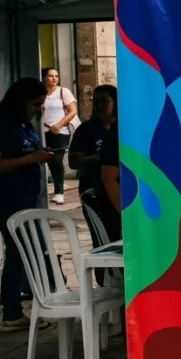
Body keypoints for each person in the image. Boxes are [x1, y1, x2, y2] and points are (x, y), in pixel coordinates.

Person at [0, 78, 53, 328]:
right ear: (20, 101)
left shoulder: (23, 125)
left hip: (23, 198)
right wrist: (31, 158)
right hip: (5, 200)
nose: (37, 110)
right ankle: (13, 312)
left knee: (20, 253)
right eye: (34, 104)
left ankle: (19, 307)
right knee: (21, 252)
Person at [69, 85, 120, 242]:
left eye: (105, 101)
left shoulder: (122, 128)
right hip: (95, 190)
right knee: (101, 241)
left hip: (119, 191)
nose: (99, 105)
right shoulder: (86, 130)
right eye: (95, 101)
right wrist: (100, 157)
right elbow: (73, 161)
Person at [40, 68, 78, 205]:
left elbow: (72, 111)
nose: (54, 78)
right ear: (45, 77)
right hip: (44, 131)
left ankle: (59, 192)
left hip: (61, 132)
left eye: (56, 76)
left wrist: (59, 125)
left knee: (56, 160)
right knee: (49, 161)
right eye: (51, 76)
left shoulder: (63, 92)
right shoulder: (41, 93)